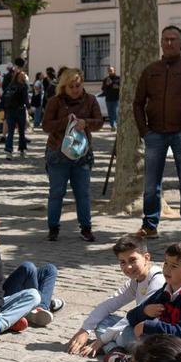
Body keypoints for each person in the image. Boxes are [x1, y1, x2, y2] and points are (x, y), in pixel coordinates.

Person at [134, 25, 181, 243]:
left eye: (173, 39)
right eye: (165, 39)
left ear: (180, 42)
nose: (169, 43)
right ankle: (150, 225)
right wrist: (144, 130)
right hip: (154, 133)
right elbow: (138, 103)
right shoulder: (150, 70)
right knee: (151, 183)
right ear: (161, 42)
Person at [67, 235, 165, 359]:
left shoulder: (157, 280)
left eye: (133, 260)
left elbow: (135, 315)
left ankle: (113, 350)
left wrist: (101, 341)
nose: (128, 267)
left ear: (146, 258)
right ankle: (115, 350)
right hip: (137, 328)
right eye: (123, 262)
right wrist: (85, 330)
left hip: (153, 337)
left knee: (123, 335)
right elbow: (110, 303)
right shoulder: (136, 281)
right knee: (102, 322)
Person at [123, 240, 181, 362]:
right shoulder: (167, 288)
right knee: (127, 332)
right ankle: (137, 359)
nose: (167, 269)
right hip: (164, 341)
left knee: (152, 348)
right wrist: (145, 311)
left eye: (174, 266)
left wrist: (149, 326)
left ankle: (135, 359)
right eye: (166, 263)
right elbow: (131, 316)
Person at [0, 207, 64, 321]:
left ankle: (40, 306)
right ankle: (37, 306)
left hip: (0, 289)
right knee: (29, 267)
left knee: (50, 269)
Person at [41, 67, 104, 242]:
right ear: (64, 86)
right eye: (71, 86)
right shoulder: (55, 101)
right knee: (56, 192)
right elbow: (46, 125)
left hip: (82, 154)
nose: (75, 89)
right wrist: (65, 122)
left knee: (82, 193)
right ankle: (53, 228)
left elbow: (99, 122)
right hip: (58, 154)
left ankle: (86, 228)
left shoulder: (90, 100)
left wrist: (86, 123)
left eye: (78, 85)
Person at [2, 63, 29, 160]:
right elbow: (25, 99)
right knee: (21, 132)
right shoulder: (23, 86)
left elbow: (4, 98)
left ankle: (8, 151)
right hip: (20, 111)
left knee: (10, 131)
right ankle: (22, 150)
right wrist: (29, 108)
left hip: (10, 111)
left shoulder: (10, 86)